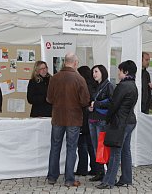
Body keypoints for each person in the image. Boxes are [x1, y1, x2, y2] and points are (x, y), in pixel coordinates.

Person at [46, 53, 90, 187]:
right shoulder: (79, 79)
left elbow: (49, 99)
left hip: (58, 117)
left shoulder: (54, 78)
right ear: (75, 63)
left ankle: (52, 177)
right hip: (74, 119)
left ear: (65, 62)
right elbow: (85, 101)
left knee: (55, 147)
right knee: (71, 148)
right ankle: (69, 179)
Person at [96, 60, 138, 189]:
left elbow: (114, 105)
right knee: (125, 151)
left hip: (120, 123)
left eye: (119, 71)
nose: (118, 73)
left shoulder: (122, 86)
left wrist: (107, 118)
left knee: (115, 152)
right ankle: (126, 178)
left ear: (125, 72)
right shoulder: (133, 85)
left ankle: (108, 181)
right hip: (130, 121)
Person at [88, 65, 114, 181]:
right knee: (95, 148)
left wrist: (97, 104)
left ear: (103, 72)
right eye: (93, 72)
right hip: (92, 120)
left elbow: (113, 104)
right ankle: (100, 172)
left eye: (96, 71)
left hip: (102, 121)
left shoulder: (108, 86)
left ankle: (109, 173)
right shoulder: (96, 86)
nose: (94, 74)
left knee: (103, 148)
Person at [76, 66, 98, 176]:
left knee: (82, 145)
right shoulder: (94, 86)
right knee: (91, 145)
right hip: (91, 118)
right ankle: (95, 168)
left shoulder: (83, 87)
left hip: (83, 118)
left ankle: (82, 169)